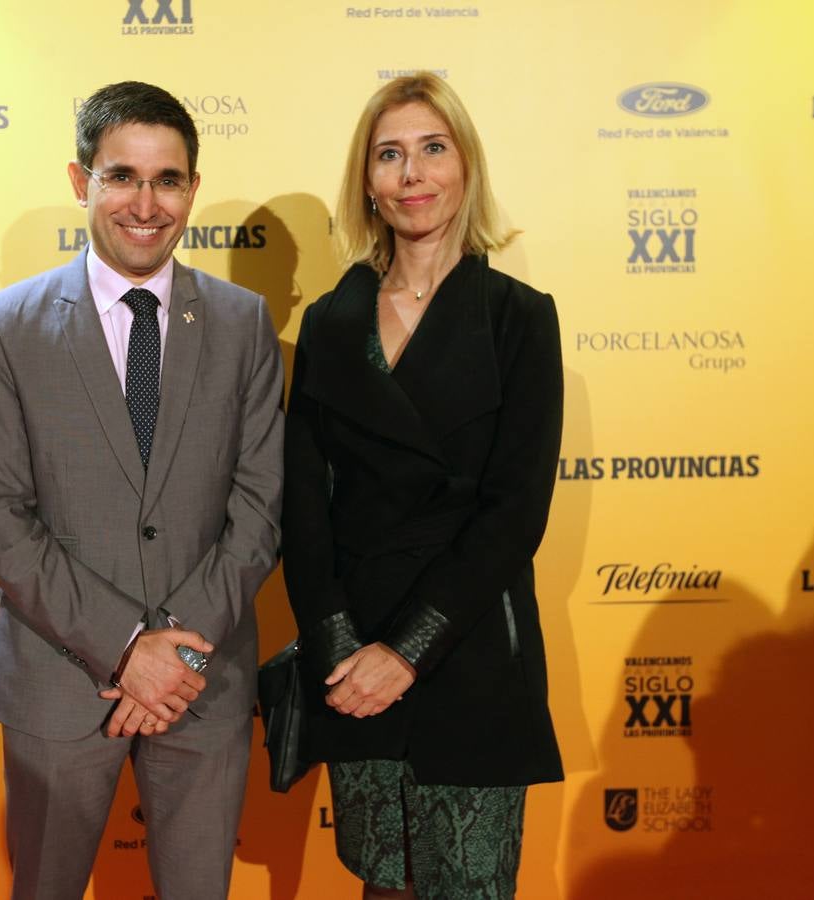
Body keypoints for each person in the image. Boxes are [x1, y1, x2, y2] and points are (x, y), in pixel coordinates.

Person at [0, 80, 284, 900]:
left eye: (167, 180)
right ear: (81, 181)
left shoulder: (245, 322)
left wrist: (171, 650)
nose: (146, 203)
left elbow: (260, 503)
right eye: (121, 176)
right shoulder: (6, 324)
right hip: (60, 678)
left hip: (200, 681)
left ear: (192, 190)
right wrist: (123, 647)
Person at [281, 72, 564, 900]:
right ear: (366, 182)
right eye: (390, 155)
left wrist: (406, 653)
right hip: (353, 652)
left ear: (464, 165)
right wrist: (339, 642)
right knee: (383, 884)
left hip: (469, 645)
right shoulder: (330, 322)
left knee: (468, 887)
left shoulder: (518, 317)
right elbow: (303, 504)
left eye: (431, 149)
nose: (412, 174)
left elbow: (514, 514)